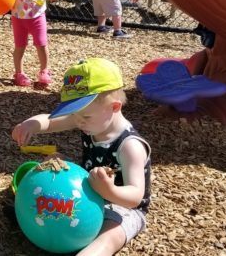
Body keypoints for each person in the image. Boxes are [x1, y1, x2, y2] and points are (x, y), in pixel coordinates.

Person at [11, 58, 151, 255]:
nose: (78, 121)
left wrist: (108, 190)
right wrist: (31, 124)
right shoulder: (89, 118)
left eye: (84, 117)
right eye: (74, 114)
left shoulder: (130, 146)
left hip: (122, 208)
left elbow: (135, 197)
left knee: (108, 238)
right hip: (89, 195)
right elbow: (50, 122)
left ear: (114, 107)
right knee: (54, 163)